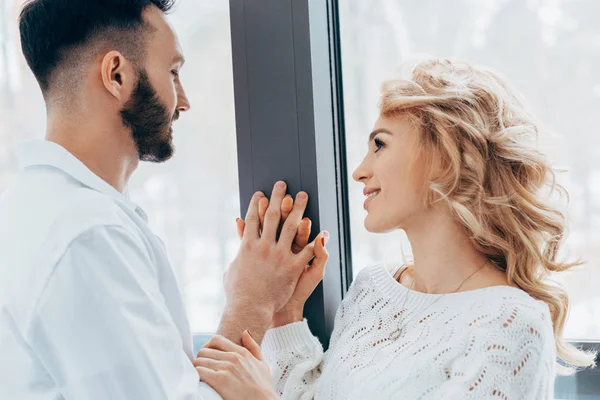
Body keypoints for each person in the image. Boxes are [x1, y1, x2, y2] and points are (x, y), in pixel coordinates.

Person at [194, 59, 597, 399]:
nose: (359, 171)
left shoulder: (511, 324)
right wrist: (286, 315)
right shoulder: (373, 291)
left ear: (447, 157)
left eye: (380, 145)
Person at [0, 0, 328, 399]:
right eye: (173, 73)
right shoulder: (86, 236)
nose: (183, 100)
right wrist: (250, 303)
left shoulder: (32, 211)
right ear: (116, 75)